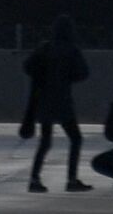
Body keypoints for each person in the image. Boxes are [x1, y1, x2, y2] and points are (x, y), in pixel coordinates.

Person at [23, 14, 92, 192]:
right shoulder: (71, 50)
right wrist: (67, 77)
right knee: (76, 138)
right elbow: (83, 73)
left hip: (43, 100)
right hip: (62, 101)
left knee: (45, 142)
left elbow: (28, 67)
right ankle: (71, 179)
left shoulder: (44, 48)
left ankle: (34, 178)